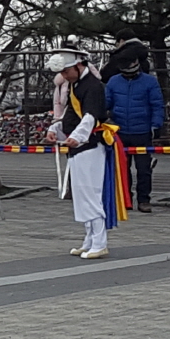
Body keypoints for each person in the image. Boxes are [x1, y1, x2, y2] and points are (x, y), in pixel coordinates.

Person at [46, 47, 126, 259]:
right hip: (79, 146)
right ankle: (90, 239)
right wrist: (56, 129)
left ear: (78, 65)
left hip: (91, 145)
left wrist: (78, 136)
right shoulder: (75, 86)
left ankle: (100, 242)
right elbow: (72, 115)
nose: (63, 76)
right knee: (81, 195)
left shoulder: (93, 86)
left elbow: (91, 116)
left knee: (91, 193)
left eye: (65, 71)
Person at [105, 55, 164, 213]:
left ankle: (144, 199)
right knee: (123, 169)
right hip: (120, 131)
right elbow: (106, 103)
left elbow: (157, 104)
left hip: (143, 131)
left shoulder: (149, 82)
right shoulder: (113, 82)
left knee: (144, 169)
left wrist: (156, 125)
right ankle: (126, 199)